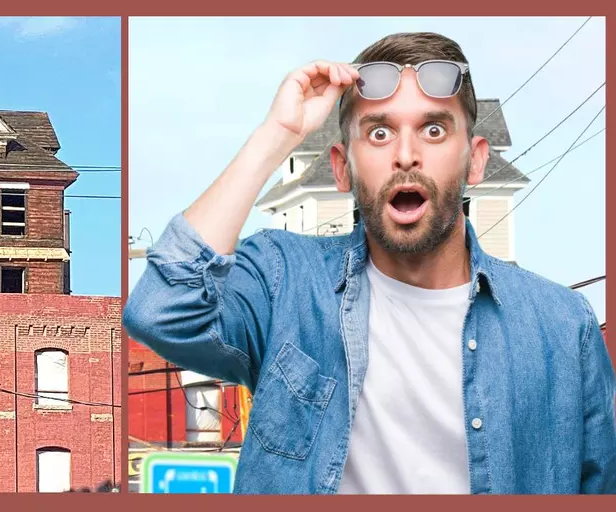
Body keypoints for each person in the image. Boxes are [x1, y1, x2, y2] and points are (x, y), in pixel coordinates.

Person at [123, 31, 616, 494]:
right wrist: (277, 134)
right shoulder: (286, 281)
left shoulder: (560, 325)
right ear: (341, 167)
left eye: (434, 129)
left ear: (476, 160)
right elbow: (161, 311)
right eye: (379, 133)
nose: (406, 154)